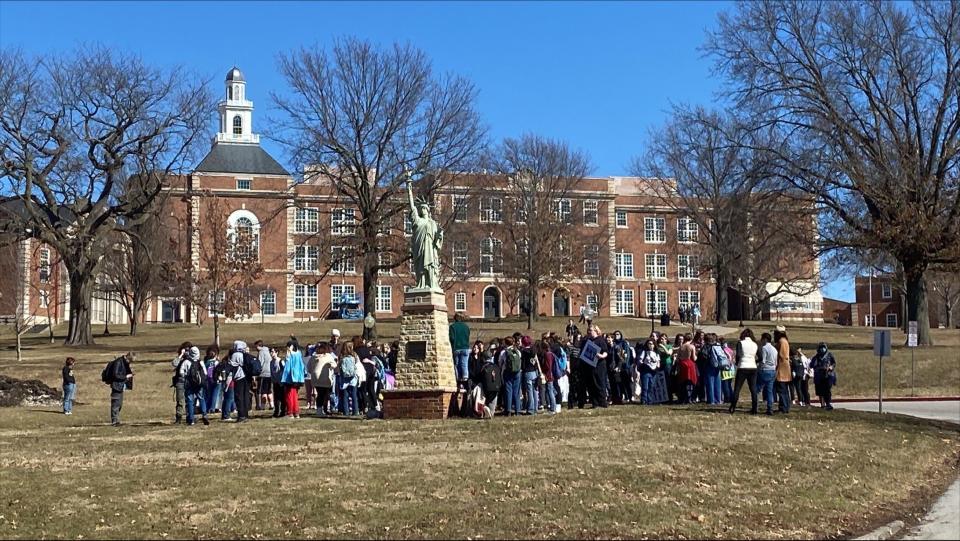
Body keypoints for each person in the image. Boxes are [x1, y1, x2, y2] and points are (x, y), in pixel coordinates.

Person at [729, 328, 759, 415]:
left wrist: (737, 363)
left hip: (743, 366)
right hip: (753, 367)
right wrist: (754, 361)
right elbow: (760, 356)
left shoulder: (740, 343)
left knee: (737, 388)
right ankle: (754, 409)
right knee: (753, 389)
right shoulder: (755, 344)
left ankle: (733, 407)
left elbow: (738, 355)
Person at [180, 346, 209, 426]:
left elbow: (181, 372)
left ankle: (191, 419)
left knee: (190, 401)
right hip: (199, 385)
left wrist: (185, 376)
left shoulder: (186, 362)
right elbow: (205, 374)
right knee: (201, 399)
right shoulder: (201, 362)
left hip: (189, 384)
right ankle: (204, 414)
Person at [104, 352, 134, 426]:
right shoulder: (118, 362)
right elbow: (115, 375)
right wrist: (126, 377)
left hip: (120, 386)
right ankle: (114, 421)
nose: (130, 363)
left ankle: (117, 420)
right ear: (127, 358)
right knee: (115, 404)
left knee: (119, 404)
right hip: (116, 385)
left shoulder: (124, 363)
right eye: (130, 361)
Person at [281, 342, 306, 419]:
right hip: (297, 379)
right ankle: (296, 412)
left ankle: (290, 412)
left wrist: (283, 362)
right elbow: (302, 366)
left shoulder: (290, 354)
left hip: (289, 379)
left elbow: (287, 366)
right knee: (295, 396)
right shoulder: (299, 354)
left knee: (289, 396)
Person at [312, 342, 337, 415]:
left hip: (315, 378)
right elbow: (334, 365)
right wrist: (330, 367)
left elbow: (309, 367)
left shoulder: (313, 357)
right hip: (325, 378)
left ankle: (319, 409)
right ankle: (324, 409)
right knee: (325, 394)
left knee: (320, 394)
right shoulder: (328, 356)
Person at [170, 341, 192, 424]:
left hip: (190, 382)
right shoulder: (180, 359)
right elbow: (174, 363)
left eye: (188, 350)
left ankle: (189, 417)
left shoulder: (192, 358)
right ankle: (178, 418)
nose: (186, 352)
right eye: (185, 350)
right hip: (180, 382)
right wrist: (181, 355)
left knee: (189, 400)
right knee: (180, 401)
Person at [811, 342, 837, 411]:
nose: (822, 349)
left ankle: (828, 403)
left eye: (824, 347)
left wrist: (831, 367)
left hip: (828, 375)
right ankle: (822, 404)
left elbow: (834, 363)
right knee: (820, 391)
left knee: (827, 390)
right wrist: (818, 368)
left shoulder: (829, 355)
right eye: (821, 348)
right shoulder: (816, 357)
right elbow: (812, 365)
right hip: (819, 376)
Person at [500, 337, 522, 416]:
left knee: (508, 391)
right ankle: (517, 410)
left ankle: (508, 410)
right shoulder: (517, 351)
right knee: (516, 392)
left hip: (507, 372)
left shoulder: (503, 352)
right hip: (517, 373)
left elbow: (500, 362)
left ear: (505, 343)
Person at [758, 332, 778, 415]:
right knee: (770, 391)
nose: (761, 341)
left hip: (765, 370)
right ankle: (770, 408)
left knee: (756, 389)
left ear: (765, 339)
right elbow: (776, 362)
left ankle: (755, 406)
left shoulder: (764, 348)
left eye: (762, 339)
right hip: (772, 370)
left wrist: (759, 368)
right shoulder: (774, 349)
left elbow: (763, 361)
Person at [449, 313, 471, 390]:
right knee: (464, 363)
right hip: (465, 347)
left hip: (457, 347)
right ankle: (465, 377)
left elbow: (451, 338)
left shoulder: (452, 327)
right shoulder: (466, 327)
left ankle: (458, 379)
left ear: (455, 318)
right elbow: (468, 336)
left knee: (457, 364)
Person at [674, 334, 698, 404]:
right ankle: (689, 398)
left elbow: (678, 359)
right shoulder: (691, 346)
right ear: (691, 339)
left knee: (683, 381)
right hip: (690, 363)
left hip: (682, 364)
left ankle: (682, 398)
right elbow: (694, 358)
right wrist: (697, 355)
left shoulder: (681, 347)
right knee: (690, 381)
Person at [339, 342, 360, 416]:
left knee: (345, 396)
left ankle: (346, 411)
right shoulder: (354, 355)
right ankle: (355, 411)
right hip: (353, 378)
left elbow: (340, 367)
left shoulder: (342, 356)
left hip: (344, 379)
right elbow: (357, 364)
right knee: (354, 395)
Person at [636, 339, 661, 405]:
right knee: (645, 387)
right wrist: (644, 365)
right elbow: (640, 360)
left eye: (652, 344)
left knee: (651, 386)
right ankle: (644, 400)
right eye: (649, 344)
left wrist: (657, 368)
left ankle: (650, 400)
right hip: (645, 371)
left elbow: (658, 362)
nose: (651, 345)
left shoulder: (656, 352)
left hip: (654, 371)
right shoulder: (644, 352)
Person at [774, 328, 792, 414]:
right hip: (784, 368)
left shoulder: (782, 342)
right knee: (783, 390)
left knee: (782, 390)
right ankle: (783, 407)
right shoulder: (784, 341)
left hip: (783, 369)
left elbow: (783, 356)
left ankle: (784, 407)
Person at [538, 339, 557, 414]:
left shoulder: (547, 354)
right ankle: (552, 406)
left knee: (550, 391)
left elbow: (548, 366)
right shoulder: (550, 354)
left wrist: (545, 373)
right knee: (550, 390)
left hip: (548, 375)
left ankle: (553, 408)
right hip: (549, 374)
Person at [255, 340, 273, 411]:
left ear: (259, 346)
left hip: (263, 374)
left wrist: (257, 373)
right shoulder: (268, 351)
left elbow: (260, 364)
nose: (256, 348)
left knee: (263, 391)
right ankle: (271, 404)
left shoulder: (261, 352)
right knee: (269, 390)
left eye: (256, 346)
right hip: (270, 373)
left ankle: (262, 406)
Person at [203, 346, 221, 415]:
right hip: (216, 380)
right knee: (215, 394)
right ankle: (212, 408)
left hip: (208, 380)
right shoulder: (216, 363)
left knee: (208, 395)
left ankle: (207, 407)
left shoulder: (206, 363)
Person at [270, 348, 286, 418]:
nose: (271, 353)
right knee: (276, 398)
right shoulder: (271, 362)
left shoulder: (280, 361)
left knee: (282, 398)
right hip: (275, 382)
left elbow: (284, 371)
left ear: (276, 352)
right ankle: (276, 411)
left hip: (281, 382)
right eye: (270, 352)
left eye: (273, 352)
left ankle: (283, 411)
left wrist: (282, 381)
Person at [720, 338, 736, 403]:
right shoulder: (730, 350)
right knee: (729, 384)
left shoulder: (723, 350)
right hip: (732, 368)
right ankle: (732, 397)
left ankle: (727, 398)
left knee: (725, 384)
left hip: (726, 368)